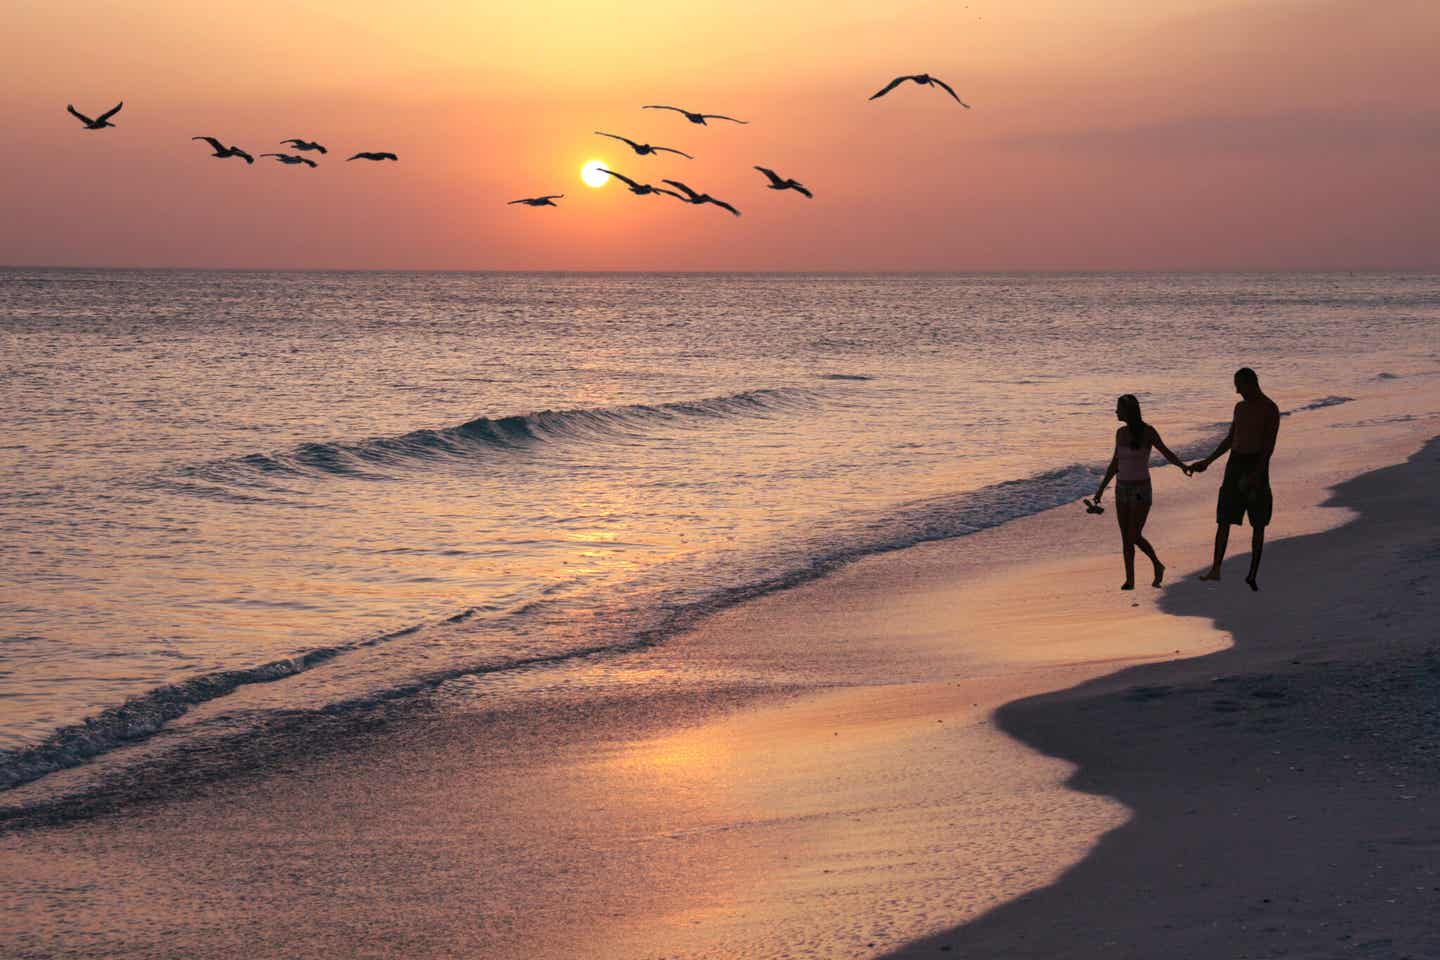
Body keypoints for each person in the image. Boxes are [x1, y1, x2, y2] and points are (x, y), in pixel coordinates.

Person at [1190, 367, 1281, 591]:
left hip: (1256, 465)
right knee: (1223, 518)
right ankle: (1216, 569)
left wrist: (1255, 475)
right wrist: (1207, 461)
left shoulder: (1270, 408)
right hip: (1235, 464)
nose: (1236, 390)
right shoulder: (1239, 408)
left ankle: (1252, 574)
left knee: (1258, 522)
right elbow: (1231, 439)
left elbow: (1268, 448)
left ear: (1251, 383)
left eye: (1239, 385)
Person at [1092, 394, 1192, 590]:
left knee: (1134, 534)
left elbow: (1166, 452)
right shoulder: (1120, 433)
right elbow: (1115, 463)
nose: (1116, 412)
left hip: (1140, 489)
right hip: (1122, 488)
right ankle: (1130, 580)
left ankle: (1156, 564)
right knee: (1125, 536)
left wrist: (1182, 466)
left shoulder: (1148, 432)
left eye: (1118, 408)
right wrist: (1101, 489)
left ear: (1128, 411)